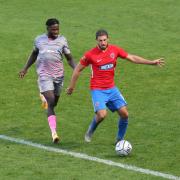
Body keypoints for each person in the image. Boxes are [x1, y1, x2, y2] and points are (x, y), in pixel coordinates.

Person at [66, 29, 164, 144]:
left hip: (112, 89)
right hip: (98, 90)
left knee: (125, 114)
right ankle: (90, 131)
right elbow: (77, 69)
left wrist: (151, 62)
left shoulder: (114, 50)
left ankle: (119, 140)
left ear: (108, 39)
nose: (103, 43)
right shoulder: (90, 55)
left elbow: (132, 58)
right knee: (102, 115)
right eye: (100, 41)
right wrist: (71, 87)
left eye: (104, 40)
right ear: (96, 41)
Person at [19, 18, 76, 143]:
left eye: (57, 29)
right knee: (51, 101)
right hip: (44, 75)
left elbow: (69, 58)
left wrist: (77, 69)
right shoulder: (39, 40)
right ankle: (54, 133)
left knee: (53, 103)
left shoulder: (62, 40)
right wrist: (25, 68)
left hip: (59, 76)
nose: (56, 31)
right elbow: (34, 54)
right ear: (47, 29)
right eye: (53, 29)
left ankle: (44, 98)